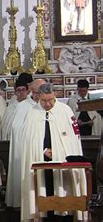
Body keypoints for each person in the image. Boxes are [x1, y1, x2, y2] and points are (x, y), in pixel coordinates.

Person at [21, 83, 87, 221]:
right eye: (44, 100)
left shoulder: (65, 110)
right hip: (41, 161)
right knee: (45, 193)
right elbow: (28, 141)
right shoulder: (32, 113)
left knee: (64, 191)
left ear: (55, 95)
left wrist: (59, 150)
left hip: (62, 162)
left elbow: (73, 139)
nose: (47, 104)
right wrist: (43, 150)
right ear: (38, 97)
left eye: (50, 100)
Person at [5, 79, 45, 209]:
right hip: (29, 152)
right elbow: (17, 130)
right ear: (32, 92)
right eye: (38, 92)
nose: (40, 95)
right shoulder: (24, 106)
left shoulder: (48, 105)